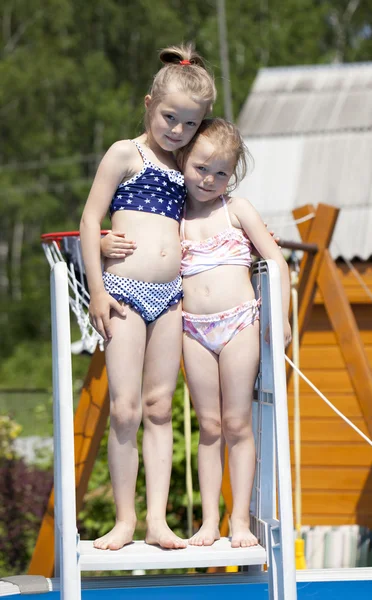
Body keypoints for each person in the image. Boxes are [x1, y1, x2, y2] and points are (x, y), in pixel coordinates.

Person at [101, 118, 291, 549]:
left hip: (240, 322)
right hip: (194, 329)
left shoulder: (236, 209)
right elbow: (143, 239)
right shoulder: (177, 214)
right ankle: (209, 522)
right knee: (209, 425)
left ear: (233, 175)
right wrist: (97, 242)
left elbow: (276, 262)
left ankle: (238, 519)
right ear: (185, 161)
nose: (209, 179)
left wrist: (281, 319)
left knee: (237, 422)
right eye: (201, 168)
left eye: (221, 172)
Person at [79, 44, 216, 551]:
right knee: (125, 408)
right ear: (147, 104)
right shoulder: (125, 153)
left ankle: (158, 521)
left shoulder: (189, 167)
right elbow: (90, 218)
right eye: (169, 117)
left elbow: (215, 203)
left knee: (161, 407)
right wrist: (95, 280)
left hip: (171, 296)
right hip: (123, 293)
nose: (177, 130)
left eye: (189, 124)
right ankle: (124, 520)